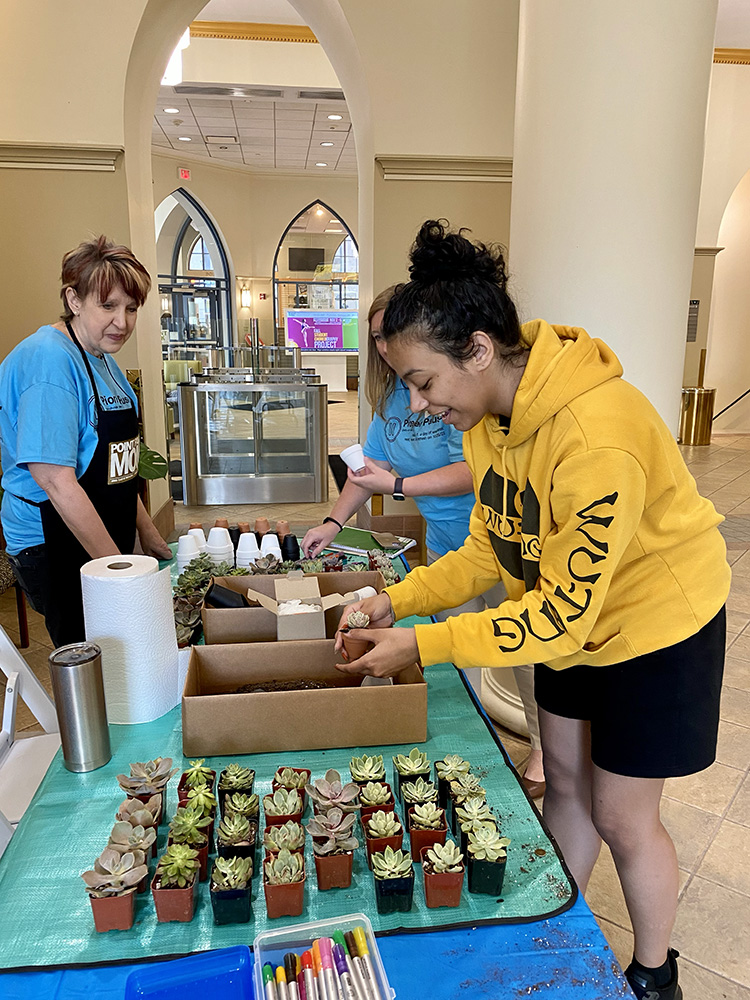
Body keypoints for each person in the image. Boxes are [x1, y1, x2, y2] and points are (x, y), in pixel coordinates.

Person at [335, 220, 730, 1000]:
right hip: (574, 619)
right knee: (570, 789)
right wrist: (394, 597)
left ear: (478, 349)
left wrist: (420, 645)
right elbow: (493, 549)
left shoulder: (596, 435)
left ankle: (657, 973)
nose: (417, 403)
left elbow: (558, 619)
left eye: (422, 381)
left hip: (656, 630)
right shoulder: (490, 421)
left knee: (622, 815)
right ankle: (551, 925)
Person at [303, 287, 545, 793]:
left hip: (510, 552)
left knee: (524, 655)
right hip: (457, 546)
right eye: (377, 339)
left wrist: (399, 487)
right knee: (461, 664)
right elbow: (370, 470)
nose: (387, 348)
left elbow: (473, 475)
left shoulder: (473, 400)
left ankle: (543, 752)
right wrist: (334, 522)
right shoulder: (397, 400)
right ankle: (477, 745)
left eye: (425, 381)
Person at [0, 236, 171, 648]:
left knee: (121, 652)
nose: (123, 322)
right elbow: (55, 479)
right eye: (108, 306)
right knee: (91, 656)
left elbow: (118, 467)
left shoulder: (103, 359)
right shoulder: (50, 360)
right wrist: (117, 568)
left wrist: (146, 532)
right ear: (73, 300)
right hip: (50, 539)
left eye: (131, 308)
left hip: (99, 528)